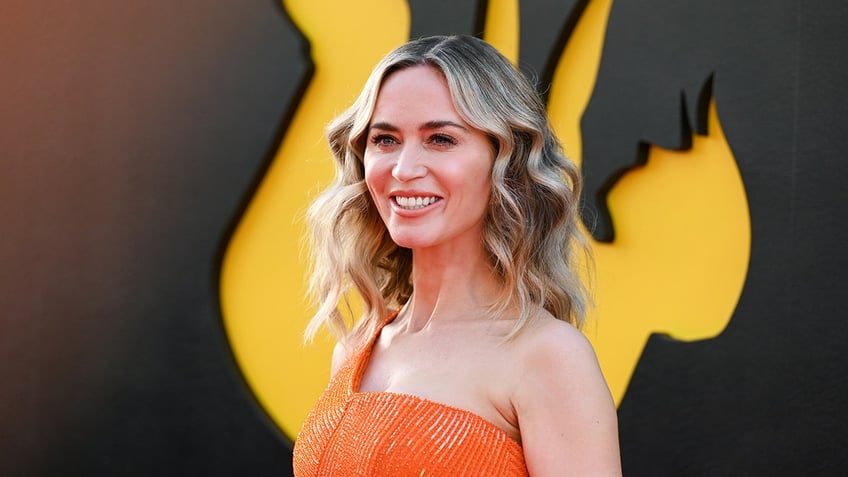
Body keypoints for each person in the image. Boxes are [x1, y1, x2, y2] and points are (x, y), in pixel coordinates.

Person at [293, 35, 621, 476]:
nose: (404, 170)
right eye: (385, 139)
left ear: (505, 159)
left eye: (441, 139)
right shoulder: (357, 348)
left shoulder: (547, 356)